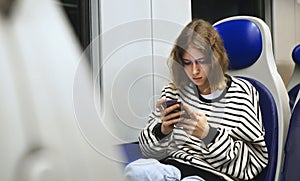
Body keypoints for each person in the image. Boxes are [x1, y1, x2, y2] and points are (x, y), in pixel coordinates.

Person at [124, 19, 268, 181]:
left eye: (201, 62)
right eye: (187, 63)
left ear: (215, 59)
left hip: (212, 175)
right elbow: (147, 151)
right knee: (134, 170)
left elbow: (252, 164)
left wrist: (208, 135)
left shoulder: (241, 92)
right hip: (172, 167)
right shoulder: (174, 92)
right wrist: (162, 130)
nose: (194, 71)